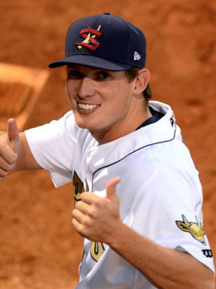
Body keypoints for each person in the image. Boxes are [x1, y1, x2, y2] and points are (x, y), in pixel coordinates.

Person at [0, 12, 215, 289]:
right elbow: (21, 150)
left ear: (138, 81)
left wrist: (116, 235)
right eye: (76, 74)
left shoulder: (157, 174)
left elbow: (201, 283)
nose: (83, 91)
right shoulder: (90, 125)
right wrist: (6, 149)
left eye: (102, 76)